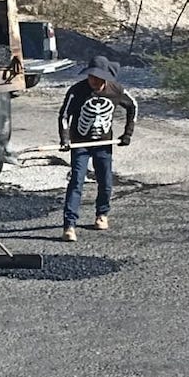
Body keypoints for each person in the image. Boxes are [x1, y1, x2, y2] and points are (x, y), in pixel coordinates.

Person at [57, 56, 137, 242]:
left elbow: (133, 106)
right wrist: (65, 138)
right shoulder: (77, 91)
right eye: (91, 76)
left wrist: (127, 134)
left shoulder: (116, 90)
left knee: (105, 180)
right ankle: (69, 225)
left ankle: (102, 214)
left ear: (106, 78)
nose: (93, 80)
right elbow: (64, 115)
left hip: (103, 144)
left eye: (97, 77)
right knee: (76, 181)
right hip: (80, 143)